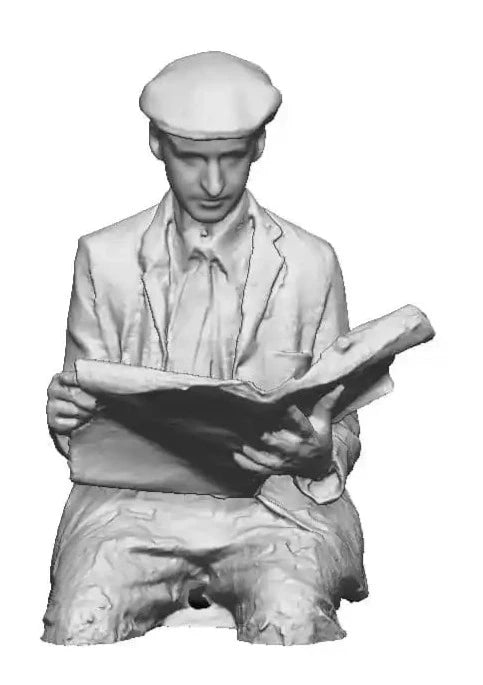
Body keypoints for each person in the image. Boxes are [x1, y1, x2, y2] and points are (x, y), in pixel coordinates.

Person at [43, 52, 367, 645]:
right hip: (131, 510)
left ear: (259, 146)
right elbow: (84, 415)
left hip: (275, 510)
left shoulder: (309, 262)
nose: (214, 184)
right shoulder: (104, 258)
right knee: (81, 623)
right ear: (156, 144)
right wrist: (66, 418)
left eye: (232, 158)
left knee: (289, 622)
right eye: (192, 159)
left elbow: (342, 419)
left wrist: (321, 451)